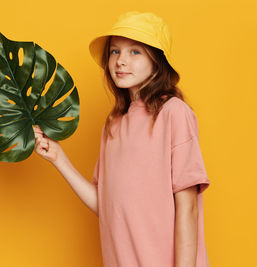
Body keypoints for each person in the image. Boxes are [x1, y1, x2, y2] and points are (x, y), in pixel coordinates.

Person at [33, 11, 210, 267]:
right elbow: (106, 205)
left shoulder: (173, 113)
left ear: (157, 62)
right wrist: (59, 158)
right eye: (115, 51)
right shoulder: (113, 124)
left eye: (135, 52)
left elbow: (188, 208)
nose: (120, 61)